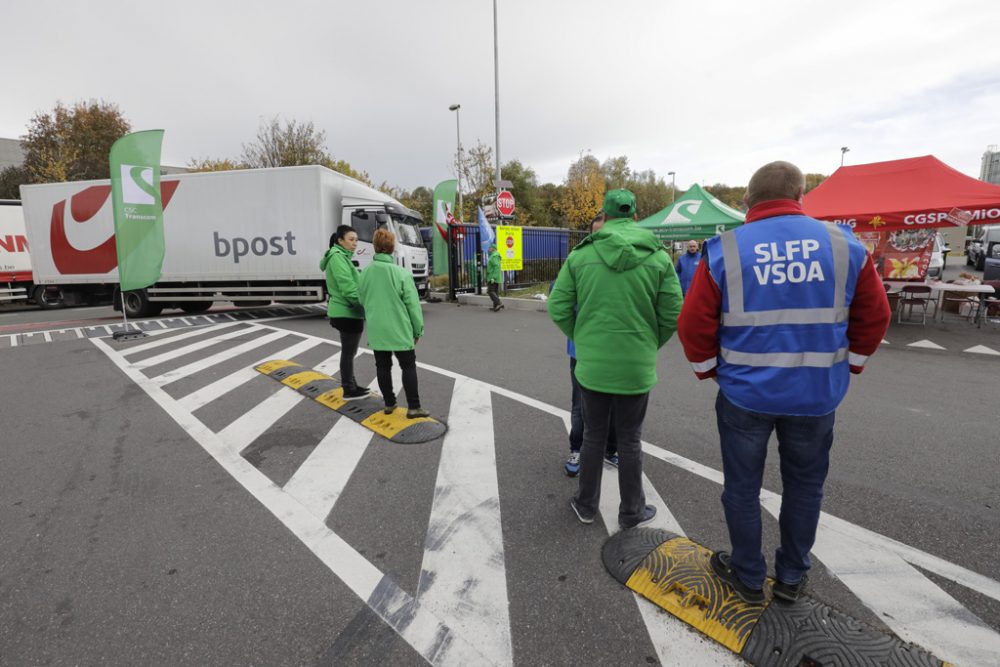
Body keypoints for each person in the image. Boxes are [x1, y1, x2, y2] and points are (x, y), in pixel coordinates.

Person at [677, 161, 891, 603]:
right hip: (816, 396)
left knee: (741, 488)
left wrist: (710, 371)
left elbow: (693, 324)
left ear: (747, 201)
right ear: (801, 194)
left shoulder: (725, 250)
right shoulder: (844, 246)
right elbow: (876, 316)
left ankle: (748, 574)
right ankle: (791, 576)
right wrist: (849, 365)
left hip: (744, 395)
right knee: (805, 487)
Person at [549, 189, 683, 529]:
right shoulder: (658, 256)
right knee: (629, 438)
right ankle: (632, 512)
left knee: (594, 435)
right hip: (636, 364)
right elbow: (672, 313)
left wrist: (583, 338)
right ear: (635, 216)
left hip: (592, 364)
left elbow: (558, 306)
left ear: (604, 217)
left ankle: (586, 505)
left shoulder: (581, 256)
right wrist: (650, 342)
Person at [564, 214, 618, 477]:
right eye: (596, 235)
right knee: (580, 405)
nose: (601, 241)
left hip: (615, 350)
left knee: (616, 404)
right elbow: (559, 302)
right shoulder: (578, 262)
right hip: (582, 352)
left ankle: (611, 448)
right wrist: (578, 336)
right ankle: (576, 448)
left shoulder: (624, 263)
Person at [358, 228, 429, 419]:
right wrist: (418, 330)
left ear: (374, 247)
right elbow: (413, 306)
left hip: (377, 329)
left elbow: (361, 299)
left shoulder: (364, 274)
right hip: (400, 328)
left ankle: (389, 404)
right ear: (392, 247)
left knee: (382, 366)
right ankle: (414, 407)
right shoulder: (401, 273)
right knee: (408, 366)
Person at [320, 225, 371, 400]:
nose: (355, 243)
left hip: (346, 310)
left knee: (349, 352)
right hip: (347, 310)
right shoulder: (337, 257)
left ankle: (351, 385)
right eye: (351, 239)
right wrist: (364, 306)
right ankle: (349, 388)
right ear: (340, 240)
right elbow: (347, 287)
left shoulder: (341, 257)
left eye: (356, 240)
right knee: (349, 352)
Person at [486, 244, 504, 311]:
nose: (488, 249)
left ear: (493, 249)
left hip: (493, 277)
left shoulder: (494, 256)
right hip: (495, 276)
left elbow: (496, 267)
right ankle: (495, 306)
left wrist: (493, 277)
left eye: (489, 248)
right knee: (494, 292)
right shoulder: (494, 255)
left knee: (490, 291)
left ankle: (499, 303)